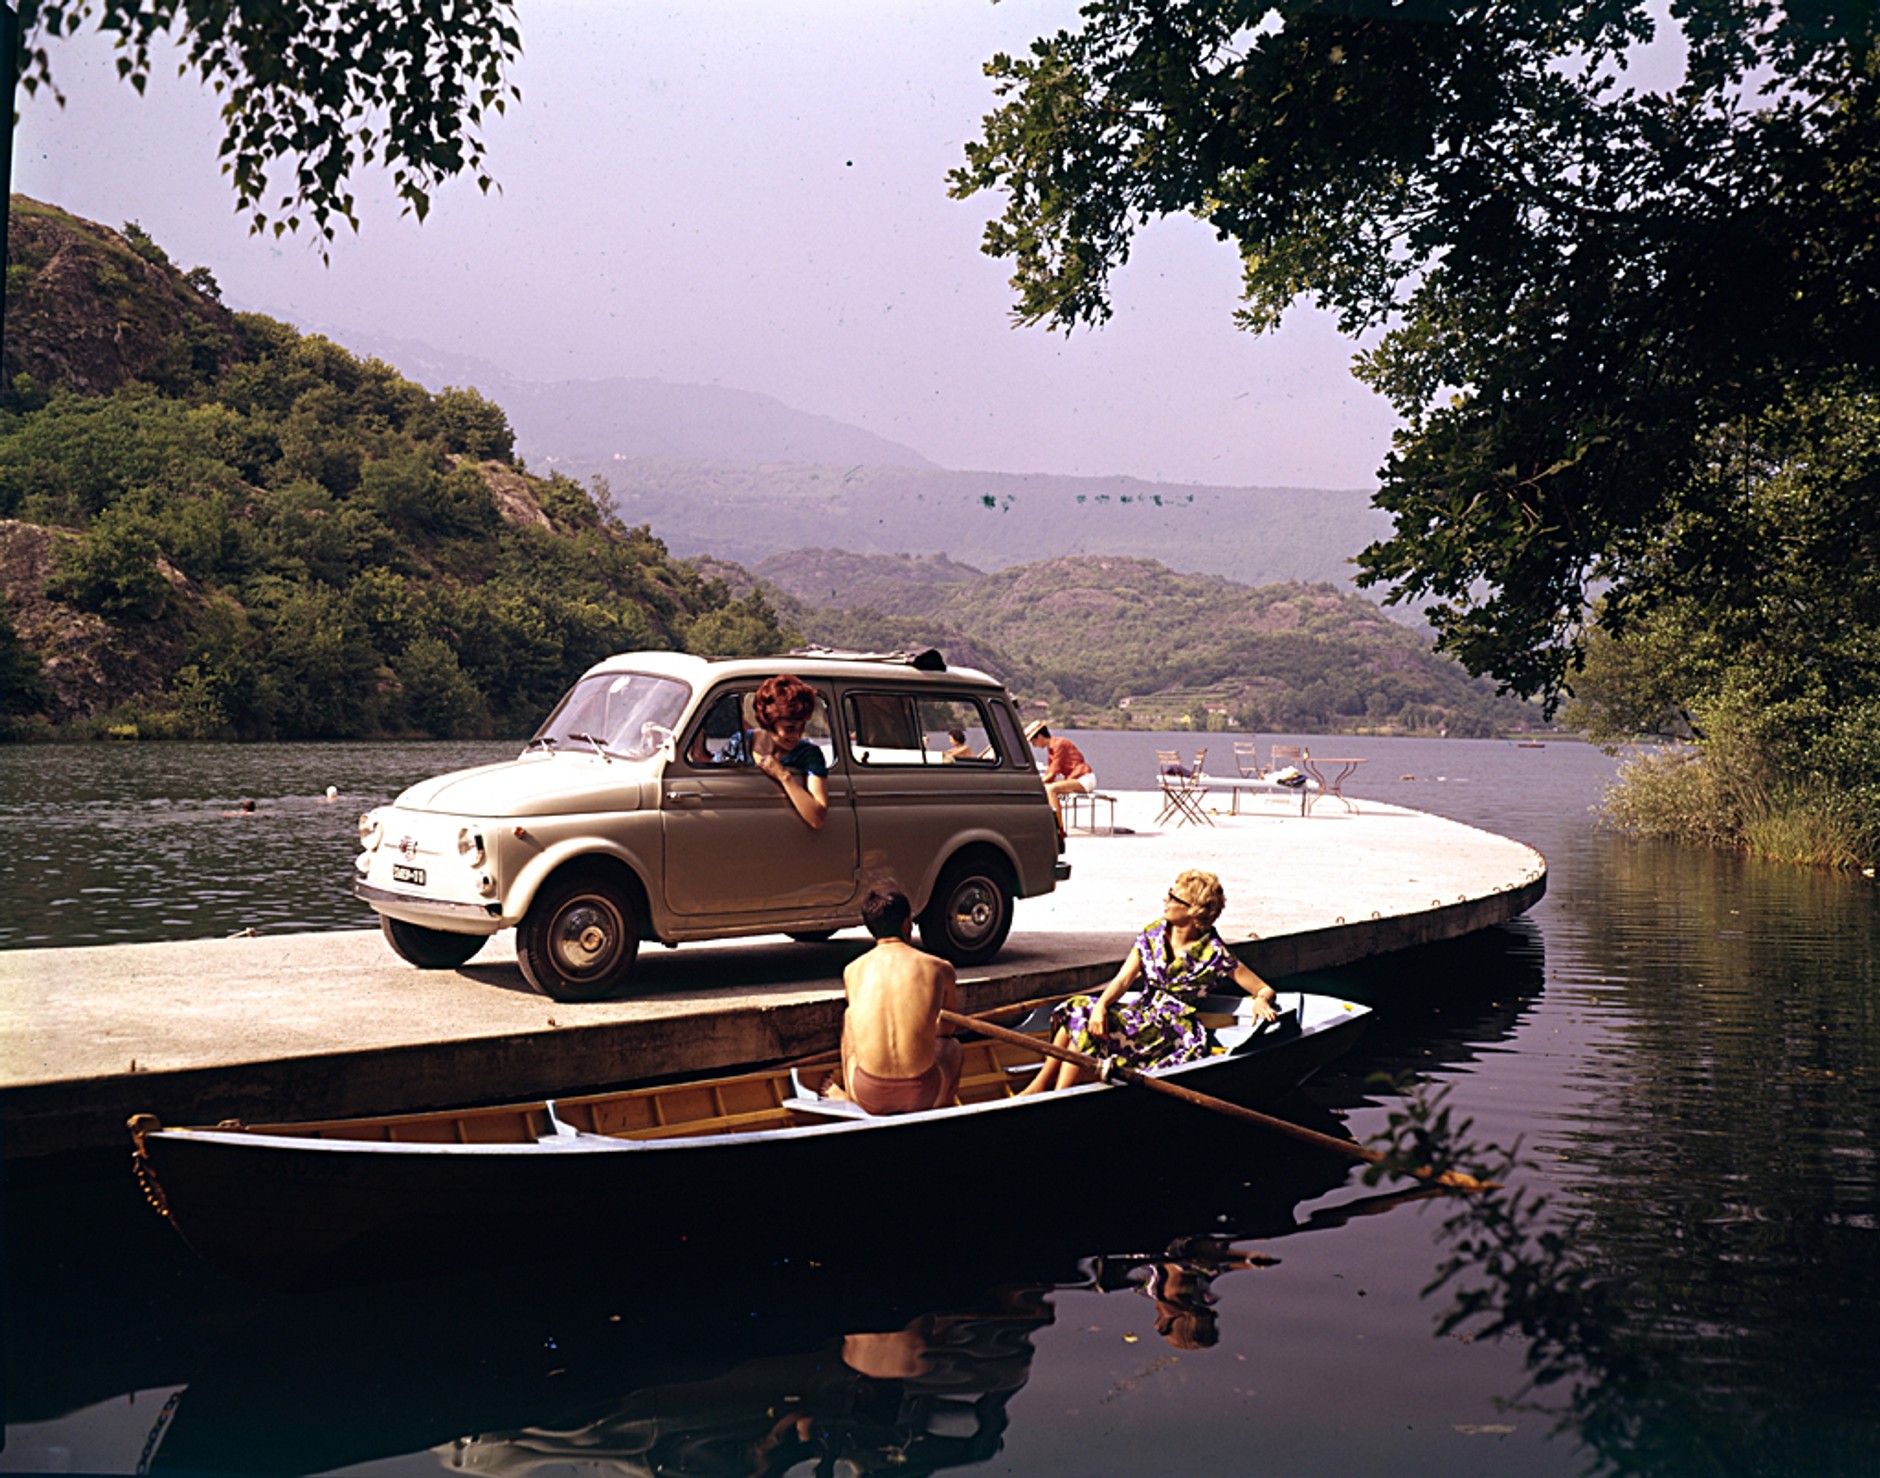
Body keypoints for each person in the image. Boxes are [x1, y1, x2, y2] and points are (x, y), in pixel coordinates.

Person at [1019, 868, 1280, 1094]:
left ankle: (1059, 1092)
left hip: (1170, 1030)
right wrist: (1101, 1007)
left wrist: (1260, 1001)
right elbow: (1123, 980)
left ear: (1193, 910)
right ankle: (1042, 1086)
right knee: (1080, 1009)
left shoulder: (1214, 954)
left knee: (1082, 1018)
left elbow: (1263, 988)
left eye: (1174, 897)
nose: (1166, 900)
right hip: (1141, 1015)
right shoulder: (1151, 936)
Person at [829, 885, 962, 1115]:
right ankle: (944, 1109)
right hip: (923, 1095)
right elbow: (948, 1029)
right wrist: (925, 1028)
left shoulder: (852, 970)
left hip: (868, 1095)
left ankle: (850, 1096)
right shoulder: (940, 968)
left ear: (872, 928)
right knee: (952, 1048)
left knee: (849, 1018)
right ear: (906, 924)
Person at [709, 673, 829, 830]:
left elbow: (817, 818)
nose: (797, 735)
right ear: (769, 723)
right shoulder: (740, 743)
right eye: (790, 728)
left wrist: (783, 776)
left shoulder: (808, 754)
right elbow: (712, 781)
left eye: (802, 727)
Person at [1025, 721, 1094, 829]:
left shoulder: (1059, 745)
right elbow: (1050, 774)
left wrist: (1033, 783)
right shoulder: (1051, 749)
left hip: (1083, 779)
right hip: (1074, 779)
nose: (1033, 745)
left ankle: (1058, 826)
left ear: (1039, 736)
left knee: (1051, 789)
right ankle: (1047, 820)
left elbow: (1052, 773)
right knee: (1046, 788)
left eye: (1033, 741)